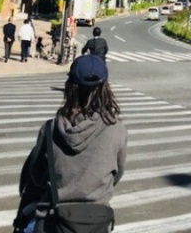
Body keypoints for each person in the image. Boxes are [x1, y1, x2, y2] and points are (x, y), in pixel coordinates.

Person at [15, 55, 127, 233]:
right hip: (96, 223)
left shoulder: (50, 129)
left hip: (54, 220)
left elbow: (35, 175)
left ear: (70, 87)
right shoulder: (117, 129)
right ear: (105, 89)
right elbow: (116, 175)